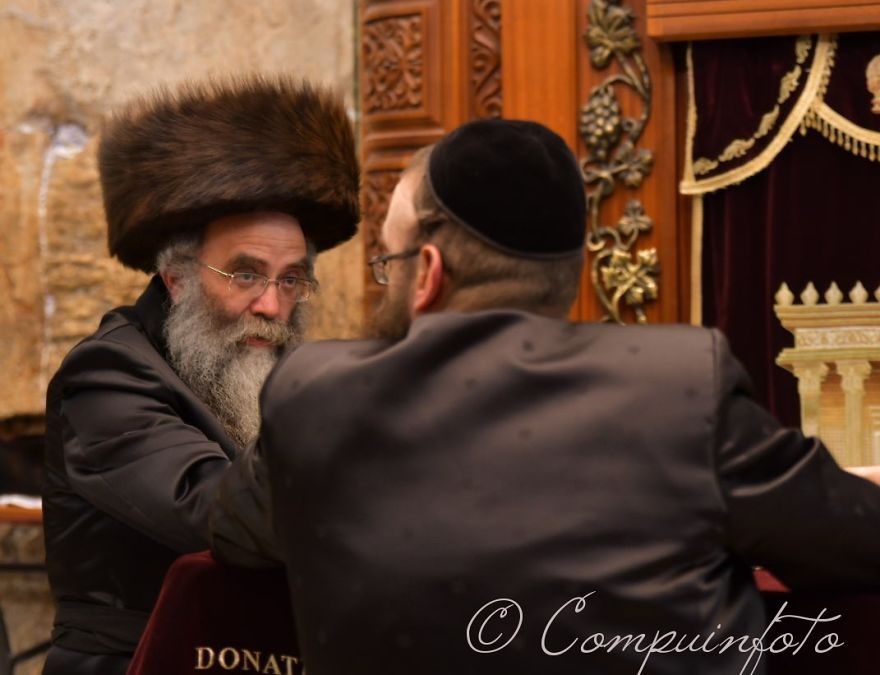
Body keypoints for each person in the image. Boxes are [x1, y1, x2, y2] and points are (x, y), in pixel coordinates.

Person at [217, 119, 880, 675]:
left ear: (429, 276)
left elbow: (232, 531)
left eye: (388, 263)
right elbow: (852, 538)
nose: (384, 282)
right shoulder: (679, 382)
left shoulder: (311, 392)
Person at [41, 75, 359, 675]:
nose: (271, 304)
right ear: (177, 278)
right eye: (245, 275)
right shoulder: (106, 376)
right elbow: (215, 510)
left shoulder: (286, 372)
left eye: (291, 279)